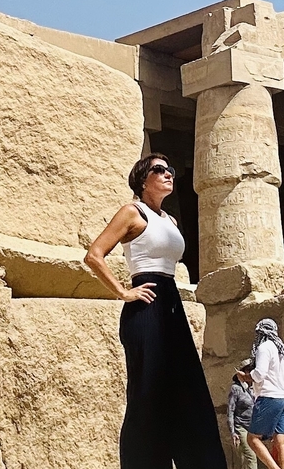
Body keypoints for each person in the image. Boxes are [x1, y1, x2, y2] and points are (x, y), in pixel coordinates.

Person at [85, 153, 227, 469]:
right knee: (147, 393)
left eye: (169, 169)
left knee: (188, 389)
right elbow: (94, 255)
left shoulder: (170, 220)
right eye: (158, 170)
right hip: (145, 304)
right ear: (143, 179)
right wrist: (123, 291)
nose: (167, 174)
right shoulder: (131, 212)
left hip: (171, 303)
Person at [237, 319, 284, 469]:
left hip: (270, 397)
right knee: (281, 440)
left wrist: (246, 376)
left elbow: (260, 374)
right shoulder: (283, 349)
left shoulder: (264, 347)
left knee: (252, 438)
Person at [228, 374, 258, 469]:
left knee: (245, 459)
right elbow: (230, 410)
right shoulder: (236, 388)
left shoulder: (255, 388)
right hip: (241, 427)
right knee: (251, 457)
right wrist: (233, 432)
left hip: (253, 427)